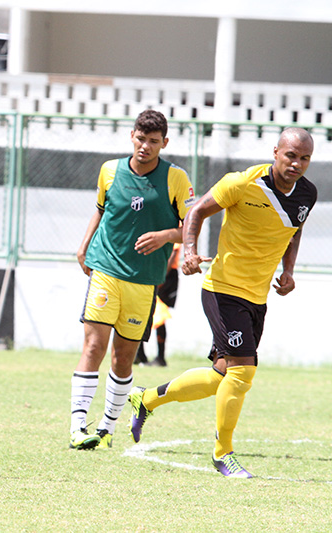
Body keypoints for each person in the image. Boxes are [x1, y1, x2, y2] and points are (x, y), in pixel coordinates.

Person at [128, 127, 316, 478]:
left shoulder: (307, 193)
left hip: (257, 296)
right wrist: (189, 252)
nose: (297, 163)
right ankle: (222, 454)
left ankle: (147, 399)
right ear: (275, 152)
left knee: (222, 376)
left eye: (304, 158)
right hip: (223, 288)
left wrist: (288, 270)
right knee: (243, 371)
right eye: (291, 155)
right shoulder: (242, 183)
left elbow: (296, 228)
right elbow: (197, 212)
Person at [70, 109, 195, 450]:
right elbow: (100, 208)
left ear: (164, 143)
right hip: (106, 270)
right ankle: (78, 426)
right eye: (141, 139)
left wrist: (165, 236)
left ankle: (107, 428)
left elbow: (191, 227)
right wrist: (83, 246)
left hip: (145, 280)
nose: (145, 147)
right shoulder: (110, 170)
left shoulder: (176, 179)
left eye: (153, 142)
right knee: (94, 346)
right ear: (132, 136)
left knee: (123, 356)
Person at [134, 243, 180, 367]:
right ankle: (140, 354)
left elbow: (173, 254)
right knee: (141, 312)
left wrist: (161, 277)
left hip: (165, 276)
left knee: (160, 317)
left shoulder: (175, 226)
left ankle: (160, 357)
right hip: (151, 271)